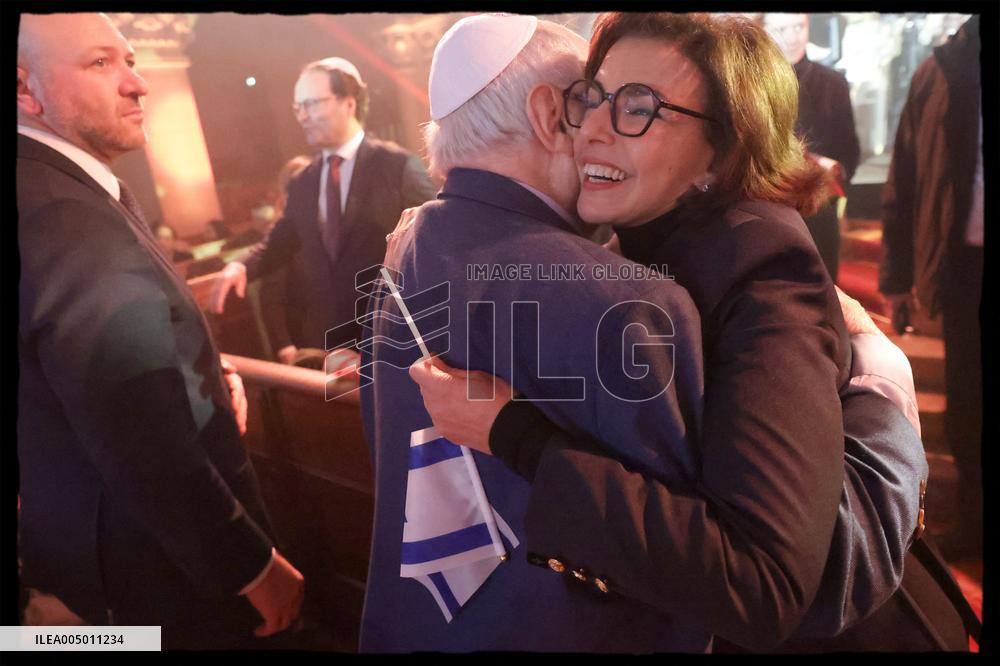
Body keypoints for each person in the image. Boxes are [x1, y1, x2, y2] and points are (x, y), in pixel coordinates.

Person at [363, 13, 932, 653]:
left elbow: (765, 581)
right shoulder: (615, 255)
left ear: (721, 149)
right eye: (591, 98)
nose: (593, 131)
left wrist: (882, 388)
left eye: (638, 108)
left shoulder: (748, 268)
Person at [16, 13, 303, 649]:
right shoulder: (65, 212)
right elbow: (137, 431)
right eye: (100, 63)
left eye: (131, 59)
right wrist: (249, 565)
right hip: (159, 577)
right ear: (24, 89)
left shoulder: (49, 188)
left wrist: (198, 371)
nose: (138, 83)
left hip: (85, 558)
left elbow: (73, 371)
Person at [209, 56, 438, 364]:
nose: (303, 116)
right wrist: (240, 267)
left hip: (396, 340)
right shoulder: (304, 180)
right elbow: (280, 241)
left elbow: (436, 241)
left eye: (312, 104)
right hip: (334, 344)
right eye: (297, 107)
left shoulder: (396, 166)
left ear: (349, 103)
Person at [880, 15, 983, 562]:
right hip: (966, 266)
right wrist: (897, 280)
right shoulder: (940, 70)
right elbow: (907, 176)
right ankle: (974, 522)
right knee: (969, 403)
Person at [763, 13, 861, 281]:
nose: (793, 36)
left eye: (799, 27)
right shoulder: (754, 85)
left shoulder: (832, 83)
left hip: (820, 205)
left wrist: (835, 172)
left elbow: (848, 148)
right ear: (765, 29)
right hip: (769, 206)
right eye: (782, 28)